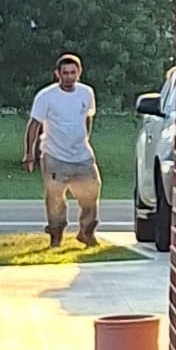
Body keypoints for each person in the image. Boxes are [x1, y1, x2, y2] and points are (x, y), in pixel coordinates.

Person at [22, 49, 106, 250]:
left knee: (91, 190)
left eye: (72, 72)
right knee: (55, 197)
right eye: (65, 73)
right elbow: (34, 124)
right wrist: (29, 154)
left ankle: (86, 232)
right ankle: (56, 235)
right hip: (54, 155)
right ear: (57, 74)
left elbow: (88, 116)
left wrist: (85, 137)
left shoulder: (87, 93)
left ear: (79, 73)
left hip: (81, 154)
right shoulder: (46, 96)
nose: (69, 77)